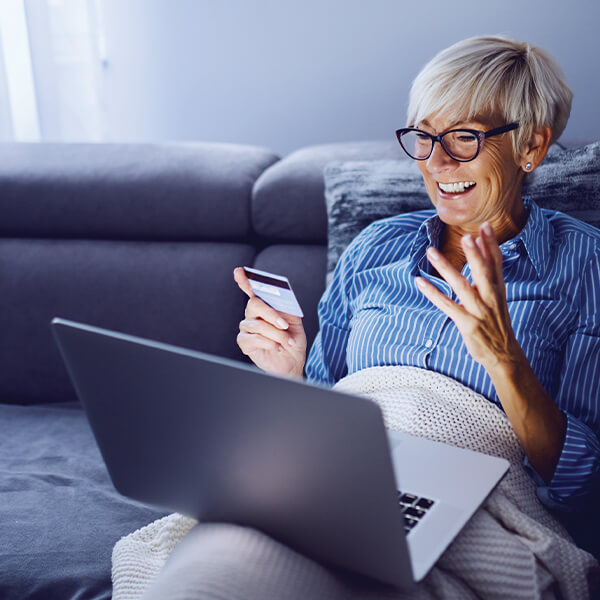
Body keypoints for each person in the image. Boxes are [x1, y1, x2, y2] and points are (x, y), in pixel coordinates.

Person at [235, 35, 600, 529]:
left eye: (465, 137)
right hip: (338, 479)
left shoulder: (584, 262)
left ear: (531, 145)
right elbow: (321, 416)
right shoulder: (375, 246)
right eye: (424, 136)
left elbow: (584, 486)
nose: (436, 162)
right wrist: (289, 375)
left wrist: (503, 359)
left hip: (474, 510)